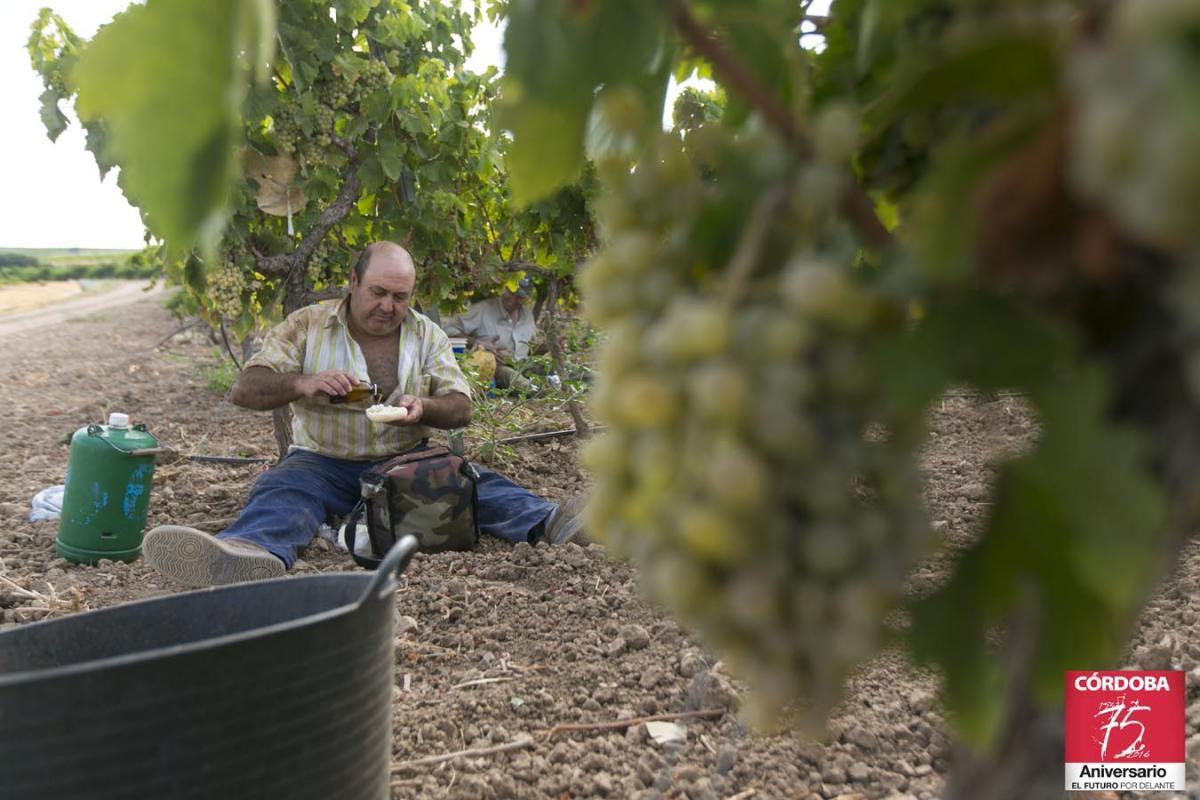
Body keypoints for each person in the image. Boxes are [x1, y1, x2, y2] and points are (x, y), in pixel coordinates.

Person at [143, 242, 583, 588]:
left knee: (474, 484)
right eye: (377, 292)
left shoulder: (425, 333)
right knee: (284, 490)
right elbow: (245, 388)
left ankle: (555, 522)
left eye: (399, 297)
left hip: (405, 460)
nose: (388, 307)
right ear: (352, 281)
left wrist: (422, 406)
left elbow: (461, 407)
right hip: (321, 462)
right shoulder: (308, 324)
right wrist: (303, 382)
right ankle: (248, 554)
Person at [442, 278, 539, 393]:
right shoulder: (483, 309)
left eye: (519, 297)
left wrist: (549, 346)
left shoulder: (527, 315)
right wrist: (477, 343)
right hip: (494, 367)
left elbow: (532, 348)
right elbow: (449, 330)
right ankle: (536, 391)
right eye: (511, 293)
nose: (513, 300)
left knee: (547, 369)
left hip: (522, 365)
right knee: (514, 379)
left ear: (526, 298)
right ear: (505, 288)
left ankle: (551, 388)